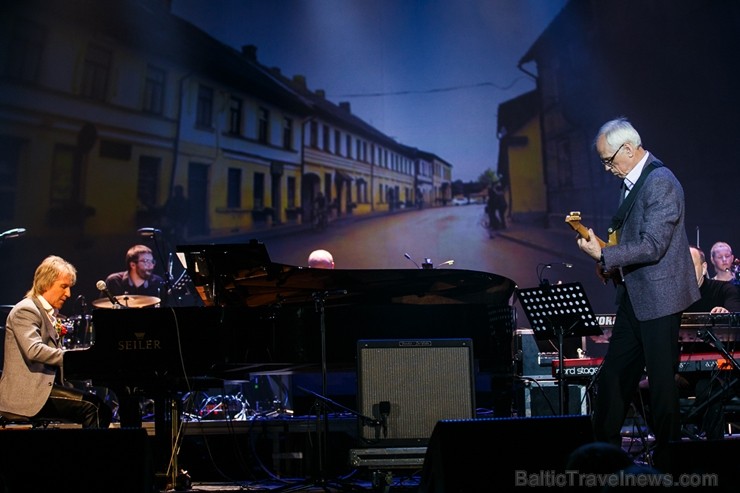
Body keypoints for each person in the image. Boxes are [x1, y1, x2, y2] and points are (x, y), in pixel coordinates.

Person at [576, 117, 699, 471]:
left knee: (662, 388)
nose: (606, 168)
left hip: (661, 299)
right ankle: (602, 459)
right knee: (614, 377)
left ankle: (669, 466)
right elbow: (632, 241)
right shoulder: (633, 179)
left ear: (628, 150)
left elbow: (654, 245)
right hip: (635, 296)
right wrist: (610, 262)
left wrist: (604, 255)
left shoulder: (661, 182)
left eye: (608, 160)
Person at [0, 255, 112, 428]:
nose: (68, 294)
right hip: (27, 394)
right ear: (46, 283)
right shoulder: (26, 310)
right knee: (94, 407)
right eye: (64, 287)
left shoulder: (47, 313)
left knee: (98, 405)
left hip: (41, 390)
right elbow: (34, 350)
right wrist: (75, 357)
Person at [681, 245, 740, 439]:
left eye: (692, 265)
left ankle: (713, 452)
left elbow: (734, 315)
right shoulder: (675, 297)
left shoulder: (724, 289)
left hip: (722, 371)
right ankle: (673, 438)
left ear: (705, 267)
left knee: (707, 387)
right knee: (643, 387)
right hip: (686, 372)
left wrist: (725, 315)